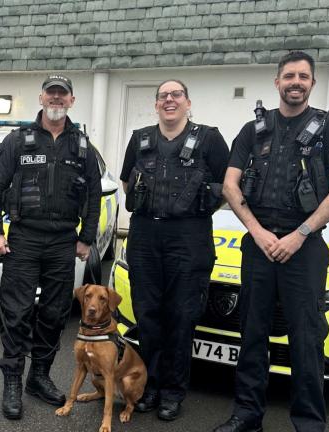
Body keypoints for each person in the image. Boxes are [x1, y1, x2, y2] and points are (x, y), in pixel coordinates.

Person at [214, 51, 329, 432]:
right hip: (258, 245)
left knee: (306, 340)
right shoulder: (253, 130)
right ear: (277, 82)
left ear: (312, 83)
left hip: (304, 248)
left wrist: (300, 234)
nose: (296, 82)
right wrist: (257, 232)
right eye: (289, 76)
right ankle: (247, 416)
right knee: (252, 334)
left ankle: (309, 424)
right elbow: (230, 185)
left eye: (303, 77)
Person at [0, 74, 102, 420]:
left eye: (62, 95)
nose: (56, 99)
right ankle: (12, 381)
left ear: (71, 101)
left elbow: (94, 194)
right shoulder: (17, 140)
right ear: (41, 98)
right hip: (24, 238)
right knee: (17, 313)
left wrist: (86, 237)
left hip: (63, 241)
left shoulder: (82, 146)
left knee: (54, 313)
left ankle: (39, 377)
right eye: (51, 93)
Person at [119, 79, 229, 421]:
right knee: (147, 314)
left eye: (176, 95)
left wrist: (194, 213)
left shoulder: (209, 139)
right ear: (156, 105)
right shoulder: (140, 139)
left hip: (189, 236)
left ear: (187, 102)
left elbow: (226, 185)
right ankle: (150, 385)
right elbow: (126, 182)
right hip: (145, 234)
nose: (170, 100)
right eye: (163, 96)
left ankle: (173, 391)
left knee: (182, 316)